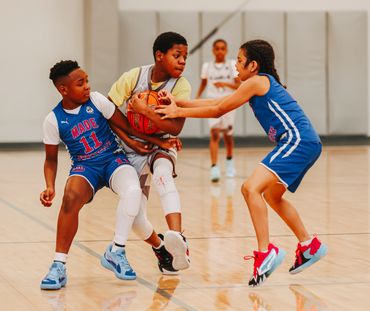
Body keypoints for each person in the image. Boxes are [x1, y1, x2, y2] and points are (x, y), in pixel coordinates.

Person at [154, 39, 328, 287]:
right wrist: (177, 102)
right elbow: (215, 103)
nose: (235, 65)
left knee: (250, 188)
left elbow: (218, 110)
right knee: (272, 196)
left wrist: (177, 113)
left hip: (297, 141)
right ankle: (309, 245)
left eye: (239, 60)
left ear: (253, 65)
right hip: (306, 142)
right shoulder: (256, 83)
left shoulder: (258, 81)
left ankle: (265, 251)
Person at [40, 60, 178, 290]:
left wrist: (158, 142)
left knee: (132, 190)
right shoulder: (53, 120)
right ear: (63, 89)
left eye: (87, 81)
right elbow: (51, 160)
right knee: (70, 198)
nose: (87, 86)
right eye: (80, 83)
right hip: (86, 167)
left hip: (113, 159)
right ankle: (58, 265)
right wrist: (49, 186)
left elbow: (127, 127)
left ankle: (116, 250)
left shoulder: (97, 100)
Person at [108, 32, 191, 274]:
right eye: (177, 56)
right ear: (159, 55)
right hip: (132, 146)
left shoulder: (181, 86)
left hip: (163, 144)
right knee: (134, 216)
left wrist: (145, 112)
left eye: (185, 57)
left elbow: (175, 127)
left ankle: (178, 236)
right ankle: (163, 249)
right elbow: (109, 111)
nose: (183, 61)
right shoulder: (134, 77)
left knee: (163, 174)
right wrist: (128, 141)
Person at [195, 39, 240, 182]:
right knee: (214, 133)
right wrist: (196, 99)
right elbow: (203, 84)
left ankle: (229, 162)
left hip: (228, 102)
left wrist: (225, 84)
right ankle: (214, 167)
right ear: (213, 50)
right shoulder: (207, 66)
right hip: (212, 102)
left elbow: (238, 86)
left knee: (227, 134)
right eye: (217, 48)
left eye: (222, 48)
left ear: (226, 50)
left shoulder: (232, 65)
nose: (220, 51)